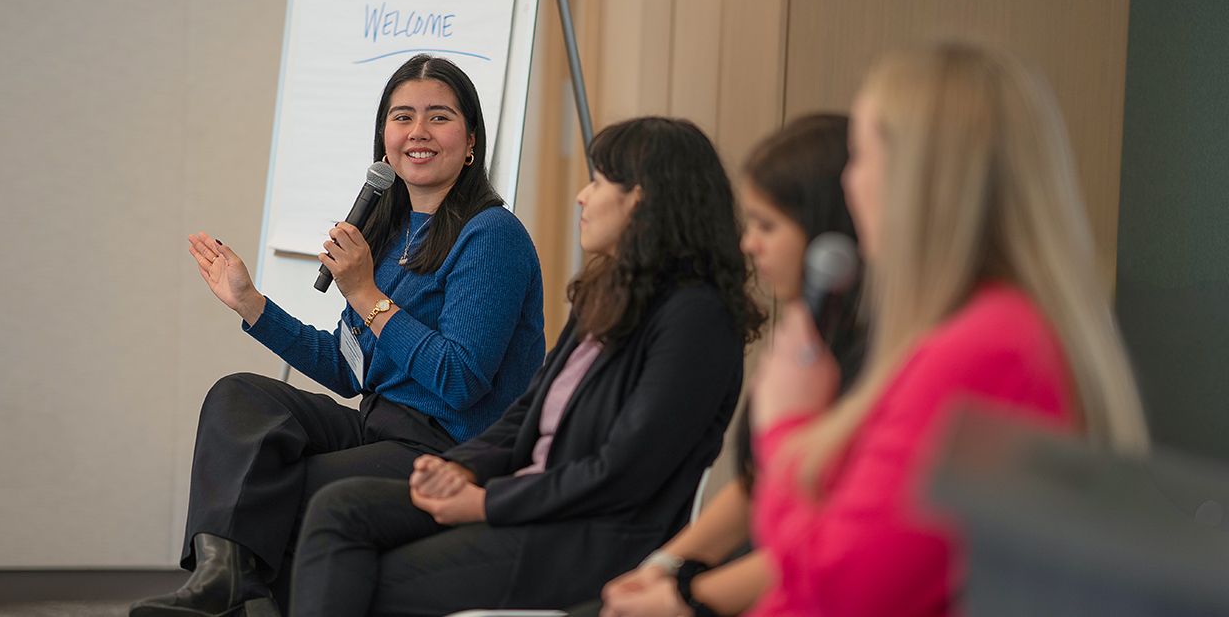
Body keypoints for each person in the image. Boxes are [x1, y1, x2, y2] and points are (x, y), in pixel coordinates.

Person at [286, 116, 767, 617]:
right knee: (339, 509)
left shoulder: (696, 317)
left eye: (599, 182)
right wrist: (461, 468)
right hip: (524, 504)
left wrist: (486, 503)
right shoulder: (609, 295)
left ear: (642, 200)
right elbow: (528, 410)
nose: (583, 196)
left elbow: (621, 472)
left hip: (586, 537)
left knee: (374, 580)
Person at [130, 54, 545, 617]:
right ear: (384, 138)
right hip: (378, 426)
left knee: (290, 484)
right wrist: (252, 304)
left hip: (449, 447)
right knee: (239, 396)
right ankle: (221, 580)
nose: (417, 132)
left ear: (470, 140)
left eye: (438, 117)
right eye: (402, 117)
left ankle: (242, 602)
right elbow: (349, 369)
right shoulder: (388, 231)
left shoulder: (493, 234)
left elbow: (460, 380)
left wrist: (367, 295)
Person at [748, 42, 1150, 617]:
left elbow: (847, 588)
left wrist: (784, 426)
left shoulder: (987, 348)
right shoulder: (989, 332)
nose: (848, 183)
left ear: (916, 179)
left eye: (859, 157)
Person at [598, 114, 865, 617]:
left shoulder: (866, 359)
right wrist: (666, 564)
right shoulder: (810, 338)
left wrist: (686, 597)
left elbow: (830, 545)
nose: (749, 243)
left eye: (767, 226)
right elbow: (755, 483)